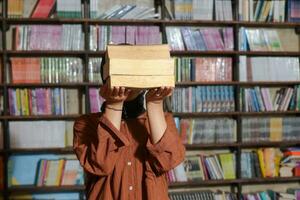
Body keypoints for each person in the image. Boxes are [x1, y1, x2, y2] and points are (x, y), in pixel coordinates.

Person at [73, 65, 185, 200]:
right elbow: (101, 164)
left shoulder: (163, 120)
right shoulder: (86, 124)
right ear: (105, 75)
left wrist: (155, 104)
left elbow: (168, 162)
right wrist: (114, 104)